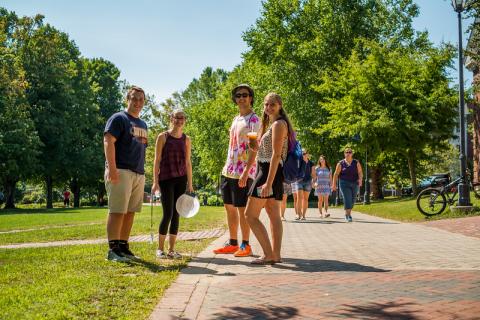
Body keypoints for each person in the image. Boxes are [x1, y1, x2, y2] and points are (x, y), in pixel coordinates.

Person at [245, 92, 294, 265]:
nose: (268, 107)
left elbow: (275, 155)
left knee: (249, 215)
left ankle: (268, 254)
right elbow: (266, 151)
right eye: (266, 104)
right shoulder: (272, 124)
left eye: (272, 104)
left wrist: (268, 182)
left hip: (268, 172)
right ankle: (276, 254)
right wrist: (255, 146)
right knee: (274, 215)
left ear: (279, 105)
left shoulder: (279, 124)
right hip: (269, 170)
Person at [213, 84, 260, 258]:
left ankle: (245, 245)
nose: (241, 98)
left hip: (243, 171)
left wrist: (247, 171)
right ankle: (232, 243)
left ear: (251, 98)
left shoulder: (253, 120)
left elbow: (254, 148)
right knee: (229, 207)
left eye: (245, 95)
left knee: (242, 209)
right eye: (238, 95)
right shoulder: (236, 119)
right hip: (229, 170)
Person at [104, 86, 148, 262]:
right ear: (127, 99)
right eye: (134, 98)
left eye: (141, 99)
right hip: (121, 170)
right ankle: (113, 249)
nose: (137, 102)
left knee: (130, 211)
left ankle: (123, 246)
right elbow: (108, 141)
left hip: (138, 172)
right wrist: (112, 169)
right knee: (117, 211)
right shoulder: (118, 118)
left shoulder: (143, 124)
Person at [152, 109, 193, 259]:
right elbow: (156, 161)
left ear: (185, 120)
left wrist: (190, 183)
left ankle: (171, 250)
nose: (179, 120)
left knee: (177, 214)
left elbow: (188, 162)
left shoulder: (186, 139)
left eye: (182, 118)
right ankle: (160, 249)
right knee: (167, 213)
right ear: (171, 118)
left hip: (181, 179)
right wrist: (155, 182)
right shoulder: (163, 137)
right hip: (166, 179)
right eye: (177, 117)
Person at [332, 147, 363, 222]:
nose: (348, 154)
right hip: (344, 183)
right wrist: (334, 184)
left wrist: (360, 179)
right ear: (344, 154)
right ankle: (347, 215)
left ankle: (348, 213)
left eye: (350, 152)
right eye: (346, 152)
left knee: (353, 199)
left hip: (354, 183)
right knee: (347, 198)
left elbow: (360, 172)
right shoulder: (340, 163)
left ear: (352, 154)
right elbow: (336, 174)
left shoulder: (356, 162)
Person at [292, 150, 315, 220]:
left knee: (305, 199)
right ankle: (298, 214)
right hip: (299, 181)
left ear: (308, 155)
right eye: (303, 154)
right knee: (299, 198)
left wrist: (314, 181)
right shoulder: (299, 162)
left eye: (305, 153)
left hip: (308, 181)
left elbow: (313, 174)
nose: (304, 155)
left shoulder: (311, 163)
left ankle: (303, 215)